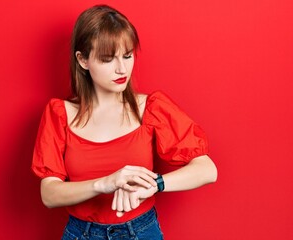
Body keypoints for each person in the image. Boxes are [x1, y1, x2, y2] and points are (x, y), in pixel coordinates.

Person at [32, 4, 217, 240]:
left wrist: (155, 184)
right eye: (108, 59)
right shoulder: (60, 113)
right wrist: (105, 183)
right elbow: (49, 194)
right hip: (82, 233)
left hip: (141, 232)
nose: (122, 68)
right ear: (83, 60)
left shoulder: (151, 108)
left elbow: (207, 170)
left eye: (127, 56)